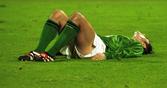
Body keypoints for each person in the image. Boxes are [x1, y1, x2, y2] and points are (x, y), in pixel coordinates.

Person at [18, 10, 152, 62]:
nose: (142, 34)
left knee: (78, 17)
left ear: (144, 44)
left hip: (96, 48)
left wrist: (107, 56)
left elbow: (131, 52)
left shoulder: (136, 46)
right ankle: (37, 51)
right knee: (57, 15)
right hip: (85, 45)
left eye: (144, 37)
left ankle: (49, 54)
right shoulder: (128, 40)